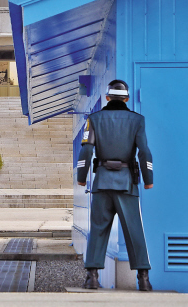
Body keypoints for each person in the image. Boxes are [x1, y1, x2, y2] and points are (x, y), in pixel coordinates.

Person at [77, 79, 154, 291]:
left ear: (107, 98)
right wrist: (149, 179)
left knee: (99, 229)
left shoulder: (94, 119)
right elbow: (144, 152)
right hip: (127, 182)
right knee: (134, 230)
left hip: (102, 182)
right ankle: (144, 278)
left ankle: (92, 277)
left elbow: (85, 150)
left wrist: (82, 176)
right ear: (127, 99)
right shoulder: (137, 120)